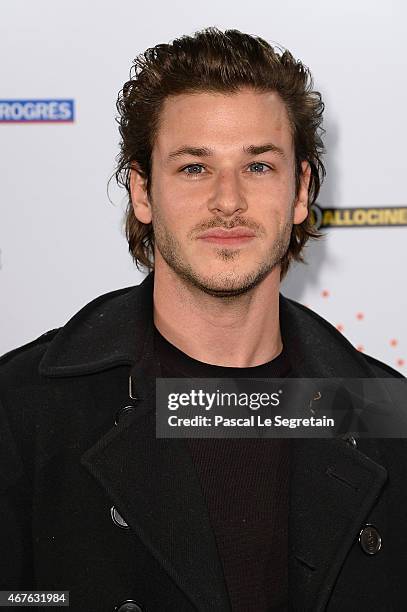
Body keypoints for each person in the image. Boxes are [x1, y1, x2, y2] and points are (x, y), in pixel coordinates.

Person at [0, 27, 405, 612]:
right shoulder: (24, 409)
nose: (228, 200)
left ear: (301, 191)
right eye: (194, 168)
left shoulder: (384, 412)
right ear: (142, 191)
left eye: (259, 166)